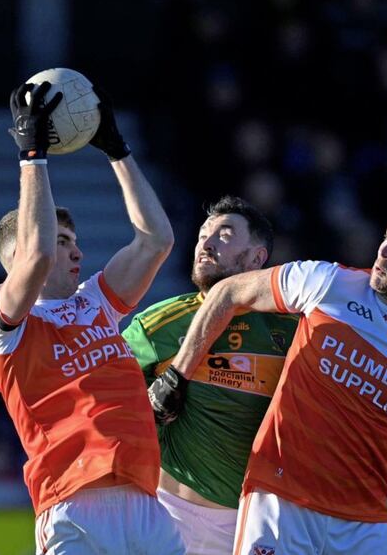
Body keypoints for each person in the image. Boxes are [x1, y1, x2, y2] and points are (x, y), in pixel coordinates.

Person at [149, 197, 387, 554]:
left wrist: (380, 479)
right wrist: (177, 375)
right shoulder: (327, 282)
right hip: (279, 497)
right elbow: (228, 291)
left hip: (362, 516)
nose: (384, 249)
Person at [0, 80, 184, 554]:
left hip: (145, 500)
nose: (77, 251)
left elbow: (156, 241)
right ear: (13, 256)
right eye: (64, 240)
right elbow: (37, 257)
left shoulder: (96, 302)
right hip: (73, 502)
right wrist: (33, 158)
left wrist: (118, 151)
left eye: (73, 240)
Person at [122, 196, 299, 554]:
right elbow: (104, 399)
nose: (207, 242)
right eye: (204, 233)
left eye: (225, 234)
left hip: (256, 521)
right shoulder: (158, 324)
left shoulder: (292, 332)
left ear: (256, 259)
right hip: (168, 514)